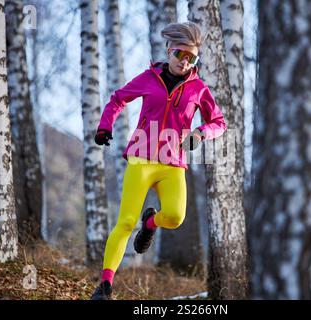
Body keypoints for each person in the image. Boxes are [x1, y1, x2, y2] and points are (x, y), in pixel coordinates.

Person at [91, 21, 227, 300]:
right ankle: (105, 286)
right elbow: (118, 99)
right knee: (126, 222)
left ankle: (150, 223)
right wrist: (105, 126)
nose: (185, 62)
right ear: (169, 50)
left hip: (172, 162)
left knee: (176, 217)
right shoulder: (148, 78)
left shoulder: (198, 88)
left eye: (192, 57)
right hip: (141, 158)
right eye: (180, 54)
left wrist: (201, 133)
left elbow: (218, 122)